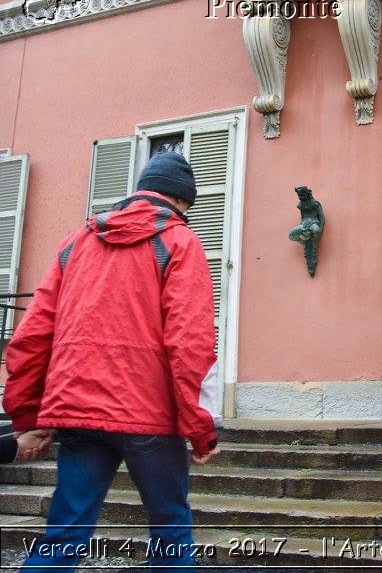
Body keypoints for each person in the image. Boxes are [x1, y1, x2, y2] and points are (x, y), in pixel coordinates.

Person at [2, 151, 221, 572]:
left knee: (64, 534)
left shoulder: (76, 242)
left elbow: (31, 337)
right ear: (182, 201)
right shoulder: (180, 241)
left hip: (80, 413)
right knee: (171, 530)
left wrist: (29, 415)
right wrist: (201, 428)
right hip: (151, 417)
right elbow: (190, 345)